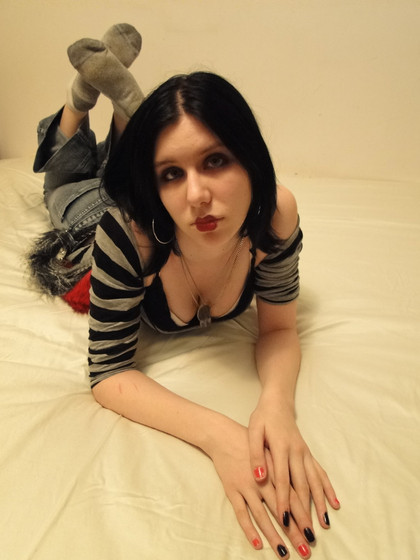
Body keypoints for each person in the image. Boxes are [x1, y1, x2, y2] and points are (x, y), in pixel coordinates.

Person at [29, 24, 340, 560]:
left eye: (215, 161)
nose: (197, 195)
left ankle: (127, 120)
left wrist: (275, 407)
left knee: (119, 165)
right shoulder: (127, 235)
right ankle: (79, 104)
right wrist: (223, 436)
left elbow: (279, 328)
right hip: (89, 220)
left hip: (140, 195)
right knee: (64, 185)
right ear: (158, 185)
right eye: (172, 173)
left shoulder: (275, 215)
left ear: (251, 159)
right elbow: (107, 372)